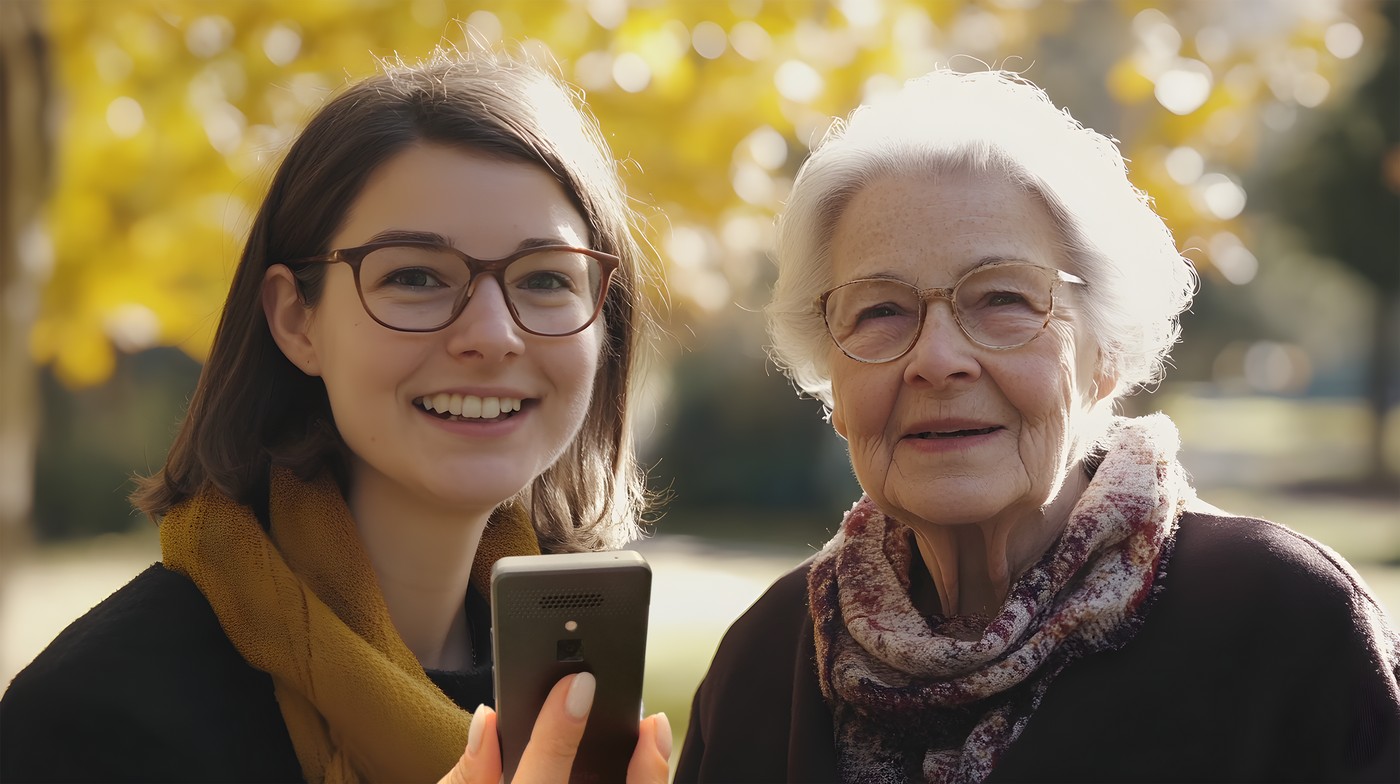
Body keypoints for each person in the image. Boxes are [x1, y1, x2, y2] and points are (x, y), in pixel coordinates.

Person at [676, 68, 1400, 783]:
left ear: (1106, 355)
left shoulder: (1284, 623)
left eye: (1002, 299)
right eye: (881, 310)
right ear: (832, 376)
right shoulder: (768, 658)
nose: (936, 359)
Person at [0, 49, 671, 784]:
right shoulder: (98, 720)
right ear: (296, 320)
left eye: (545, 278)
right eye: (414, 276)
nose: (492, 335)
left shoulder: (573, 694)